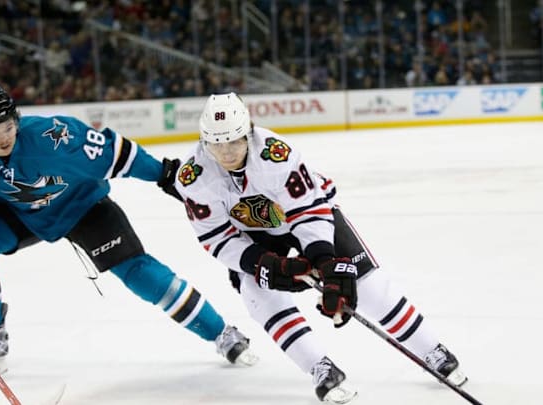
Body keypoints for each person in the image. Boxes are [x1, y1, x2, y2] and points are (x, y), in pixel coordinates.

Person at [0, 84, 257, 379]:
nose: (2, 136)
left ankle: (222, 333)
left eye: (7, 126)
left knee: (138, 273)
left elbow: (117, 153)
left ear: (16, 120)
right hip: (22, 212)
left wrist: (163, 173)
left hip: (82, 206)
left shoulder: (53, 137)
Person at [160, 93, 468, 403]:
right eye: (216, 143)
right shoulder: (193, 177)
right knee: (259, 295)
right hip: (254, 237)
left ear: (248, 132)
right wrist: (261, 262)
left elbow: (310, 212)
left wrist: (324, 260)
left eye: (234, 142)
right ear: (203, 141)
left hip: (305, 218)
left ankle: (432, 349)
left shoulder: (276, 155)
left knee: (368, 287)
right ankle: (320, 367)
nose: (226, 152)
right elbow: (217, 238)